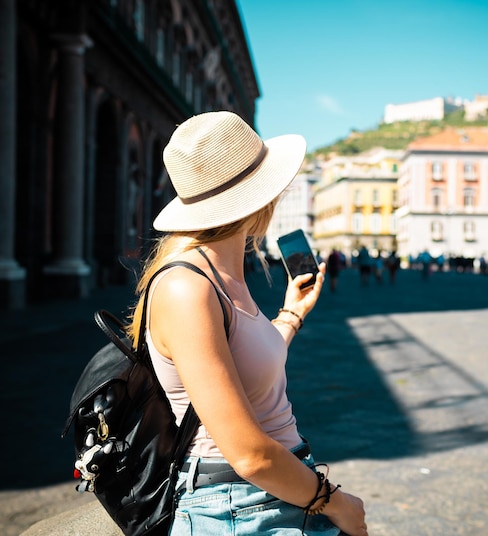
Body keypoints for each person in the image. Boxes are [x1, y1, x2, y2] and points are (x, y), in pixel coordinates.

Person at [125, 112, 367, 536]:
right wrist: (338, 503)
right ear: (258, 196)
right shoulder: (188, 287)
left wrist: (291, 314)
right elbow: (248, 454)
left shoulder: (223, 273)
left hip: (277, 489)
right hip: (240, 507)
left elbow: (244, 370)